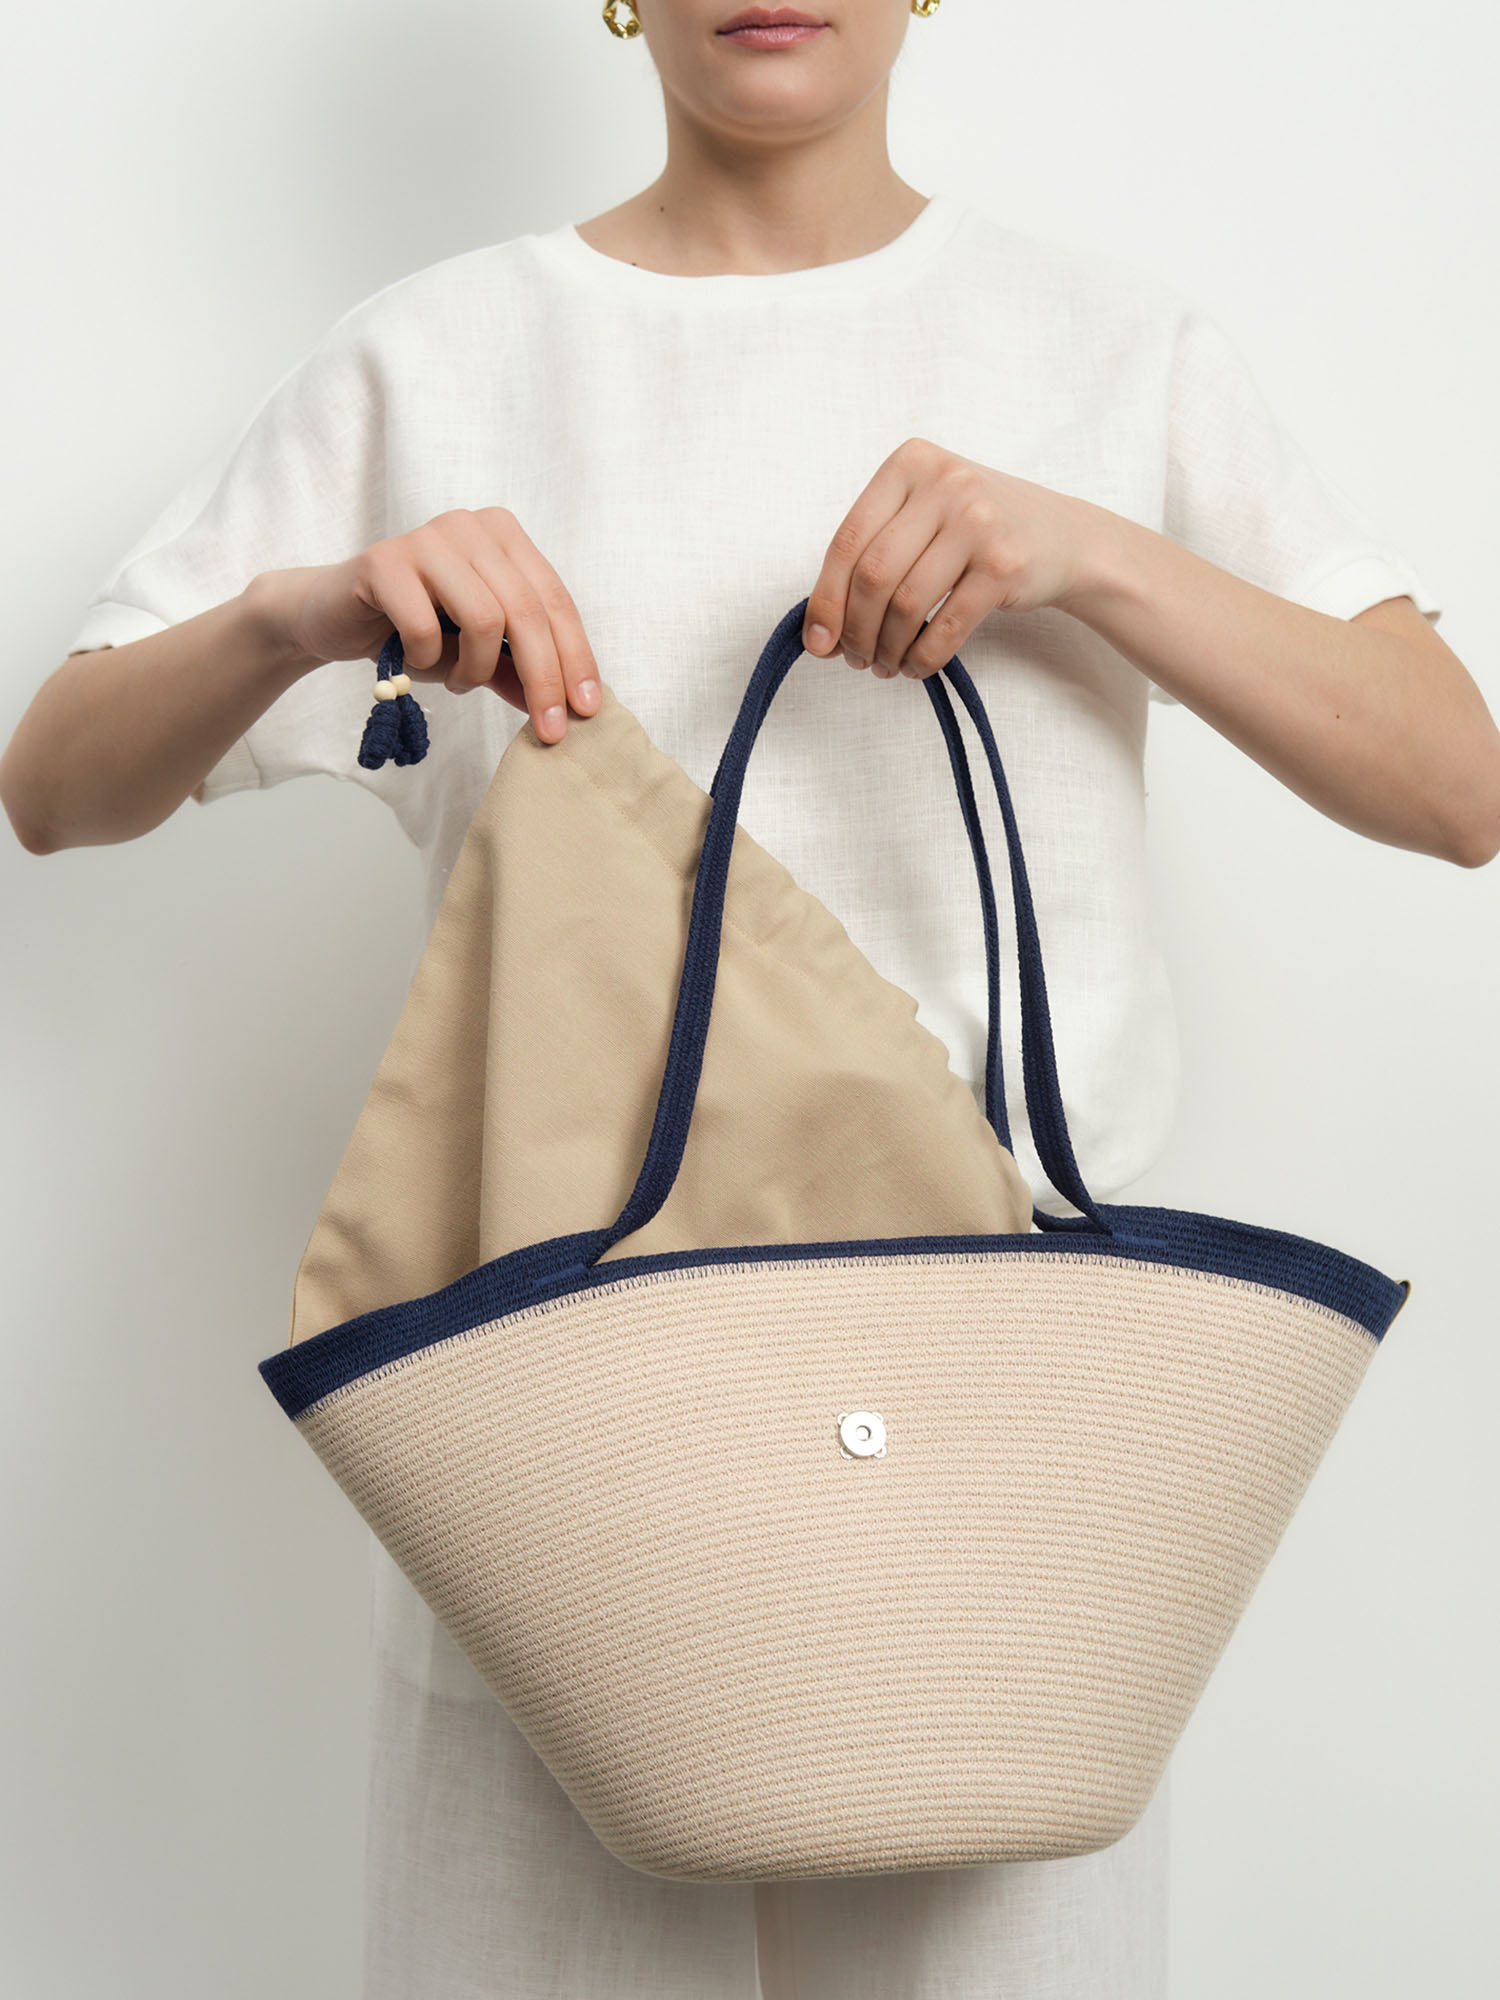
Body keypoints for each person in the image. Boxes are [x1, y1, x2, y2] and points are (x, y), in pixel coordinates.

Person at [4, 3, 1496, 1994]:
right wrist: (308, 607)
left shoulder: (1112, 349)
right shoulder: (435, 359)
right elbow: (59, 783)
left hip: (1008, 1459)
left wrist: (1087, 555)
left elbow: (1456, 783)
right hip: (561, 1471)